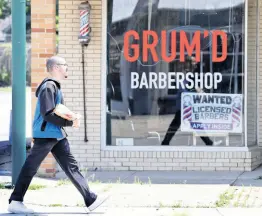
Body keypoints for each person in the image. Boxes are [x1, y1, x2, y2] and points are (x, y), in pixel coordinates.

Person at [8, 56, 107, 213]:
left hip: (56, 134)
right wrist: (70, 122)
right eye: (65, 65)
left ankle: (90, 200)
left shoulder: (54, 86)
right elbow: (48, 114)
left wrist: (71, 117)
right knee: (31, 167)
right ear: (56, 68)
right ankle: (15, 201)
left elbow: (57, 111)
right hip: (46, 134)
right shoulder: (48, 86)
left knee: (71, 166)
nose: (67, 68)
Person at [161, 56, 222, 146]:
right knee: (189, 124)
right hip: (183, 104)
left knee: (180, 124)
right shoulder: (183, 73)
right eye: (193, 62)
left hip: (187, 104)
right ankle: (209, 143)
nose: (195, 64)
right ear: (188, 63)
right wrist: (195, 92)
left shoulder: (190, 74)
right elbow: (182, 88)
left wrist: (198, 90)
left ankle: (165, 142)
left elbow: (190, 86)